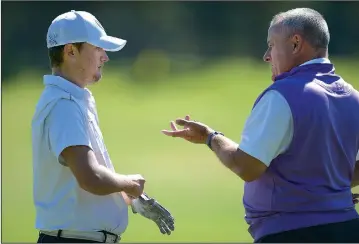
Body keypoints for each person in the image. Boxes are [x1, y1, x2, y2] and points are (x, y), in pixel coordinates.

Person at [162, 7, 359, 243]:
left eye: (272, 45)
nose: (267, 55)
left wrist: (210, 137)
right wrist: (326, 195)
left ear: (295, 44)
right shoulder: (353, 97)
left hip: (292, 234)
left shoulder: (282, 95)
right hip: (348, 228)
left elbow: (247, 166)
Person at [31, 10, 174, 243]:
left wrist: (133, 198)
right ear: (70, 51)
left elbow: (84, 181)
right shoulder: (64, 105)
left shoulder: (75, 99)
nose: (105, 57)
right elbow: (91, 178)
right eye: (98, 48)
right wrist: (132, 184)